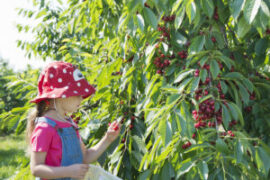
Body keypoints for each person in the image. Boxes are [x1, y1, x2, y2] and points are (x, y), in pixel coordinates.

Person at [26, 61, 121, 180]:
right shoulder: (45, 128)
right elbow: (36, 169)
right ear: (61, 95)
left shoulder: (70, 124)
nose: (82, 98)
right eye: (77, 94)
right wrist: (68, 171)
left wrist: (108, 139)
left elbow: (85, 157)